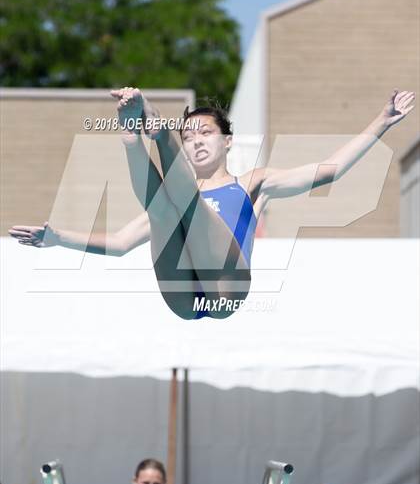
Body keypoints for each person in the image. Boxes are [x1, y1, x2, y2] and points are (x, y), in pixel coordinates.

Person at [10, 88, 415, 320]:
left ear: (228, 141)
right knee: (165, 209)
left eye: (205, 132)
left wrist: (382, 121)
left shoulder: (256, 183)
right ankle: (133, 138)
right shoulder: (177, 194)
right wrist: (57, 237)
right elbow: (118, 244)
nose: (197, 140)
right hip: (184, 299)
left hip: (225, 290)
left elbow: (331, 171)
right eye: (187, 136)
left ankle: (151, 121)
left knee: (185, 203)